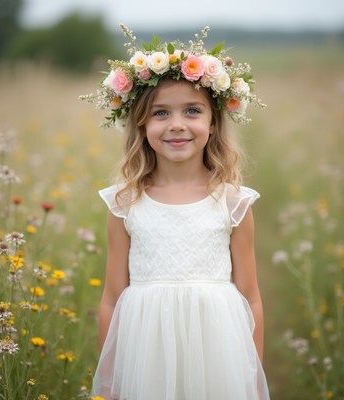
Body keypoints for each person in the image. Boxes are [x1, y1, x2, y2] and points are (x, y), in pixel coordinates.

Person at [83, 24, 269, 400]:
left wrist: (251, 375)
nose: (177, 125)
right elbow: (112, 297)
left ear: (213, 121)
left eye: (192, 111)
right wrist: (114, 379)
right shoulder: (124, 203)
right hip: (146, 350)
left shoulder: (233, 203)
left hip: (217, 350)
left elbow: (250, 297)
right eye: (161, 113)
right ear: (141, 124)